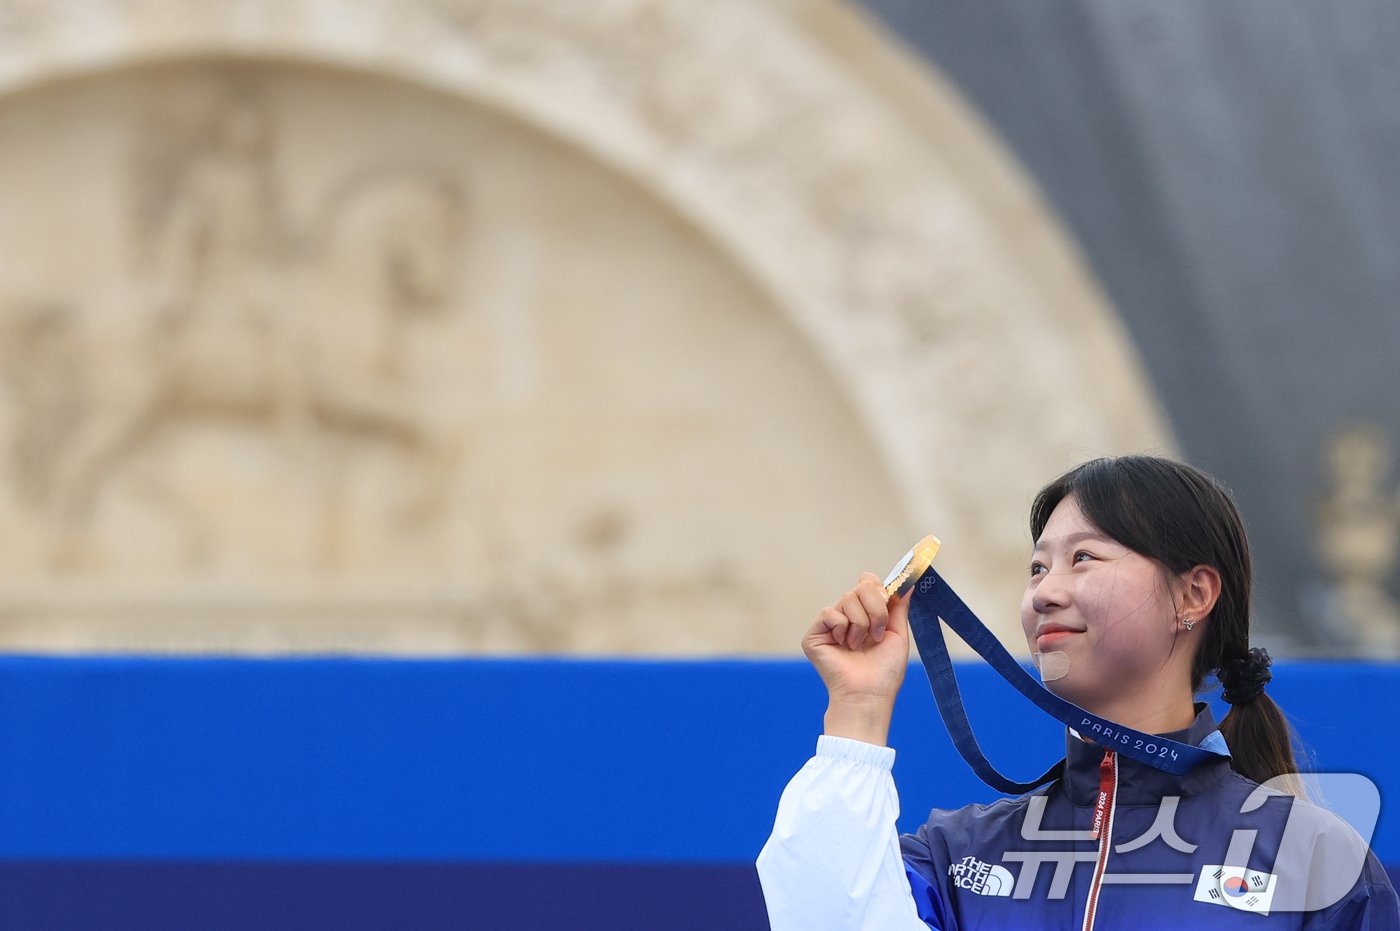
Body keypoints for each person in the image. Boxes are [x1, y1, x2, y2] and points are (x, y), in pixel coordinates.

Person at [757, 455, 1400, 929]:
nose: (1044, 592)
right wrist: (859, 709)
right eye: (1037, 567)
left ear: (1193, 595)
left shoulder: (1314, 859)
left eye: (1084, 558)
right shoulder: (955, 859)